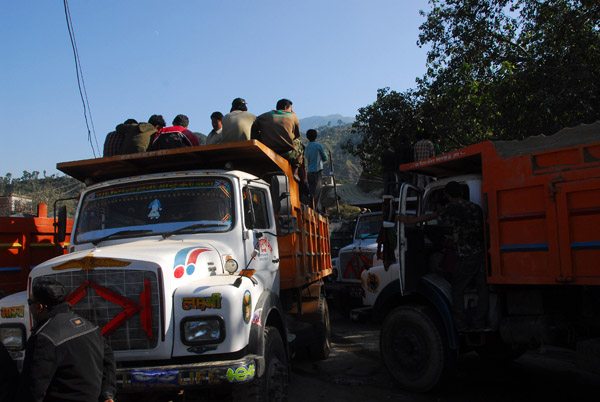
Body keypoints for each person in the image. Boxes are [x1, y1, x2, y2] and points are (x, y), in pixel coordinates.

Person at [397, 181, 489, 331]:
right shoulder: (475, 207)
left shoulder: (453, 207)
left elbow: (431, 217)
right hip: (480, 253)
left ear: (448, 195)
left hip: (466, 256)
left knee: (457, 289)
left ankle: (459, 324)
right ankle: (480, 321)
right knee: (482, 289)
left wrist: (409, 220)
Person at [17, 277, 116, 402]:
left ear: (40, 307)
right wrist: (107, 394)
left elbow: (33, 388)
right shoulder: (89, 326)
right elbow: (108, 360)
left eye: (30, 303)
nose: (29, 308)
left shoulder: (43, 338)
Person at [252, 98, 302, 181]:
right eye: (291, 108)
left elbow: (254, 129)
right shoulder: (293, 116)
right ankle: (295, 170)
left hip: (268, 151)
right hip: (287, 153)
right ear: (286, 108)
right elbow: (296, 136)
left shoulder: (263, 116)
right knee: (298, 143)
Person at [304, 129, 328, 212]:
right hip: (317, 172)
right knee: (317, 192)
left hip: (309, 172)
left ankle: (311, 208)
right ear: (316, 136)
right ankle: (317, 210)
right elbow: (325, 158)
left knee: (311, 192)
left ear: (307, 137)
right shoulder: (318, 145)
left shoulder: (307, 147)